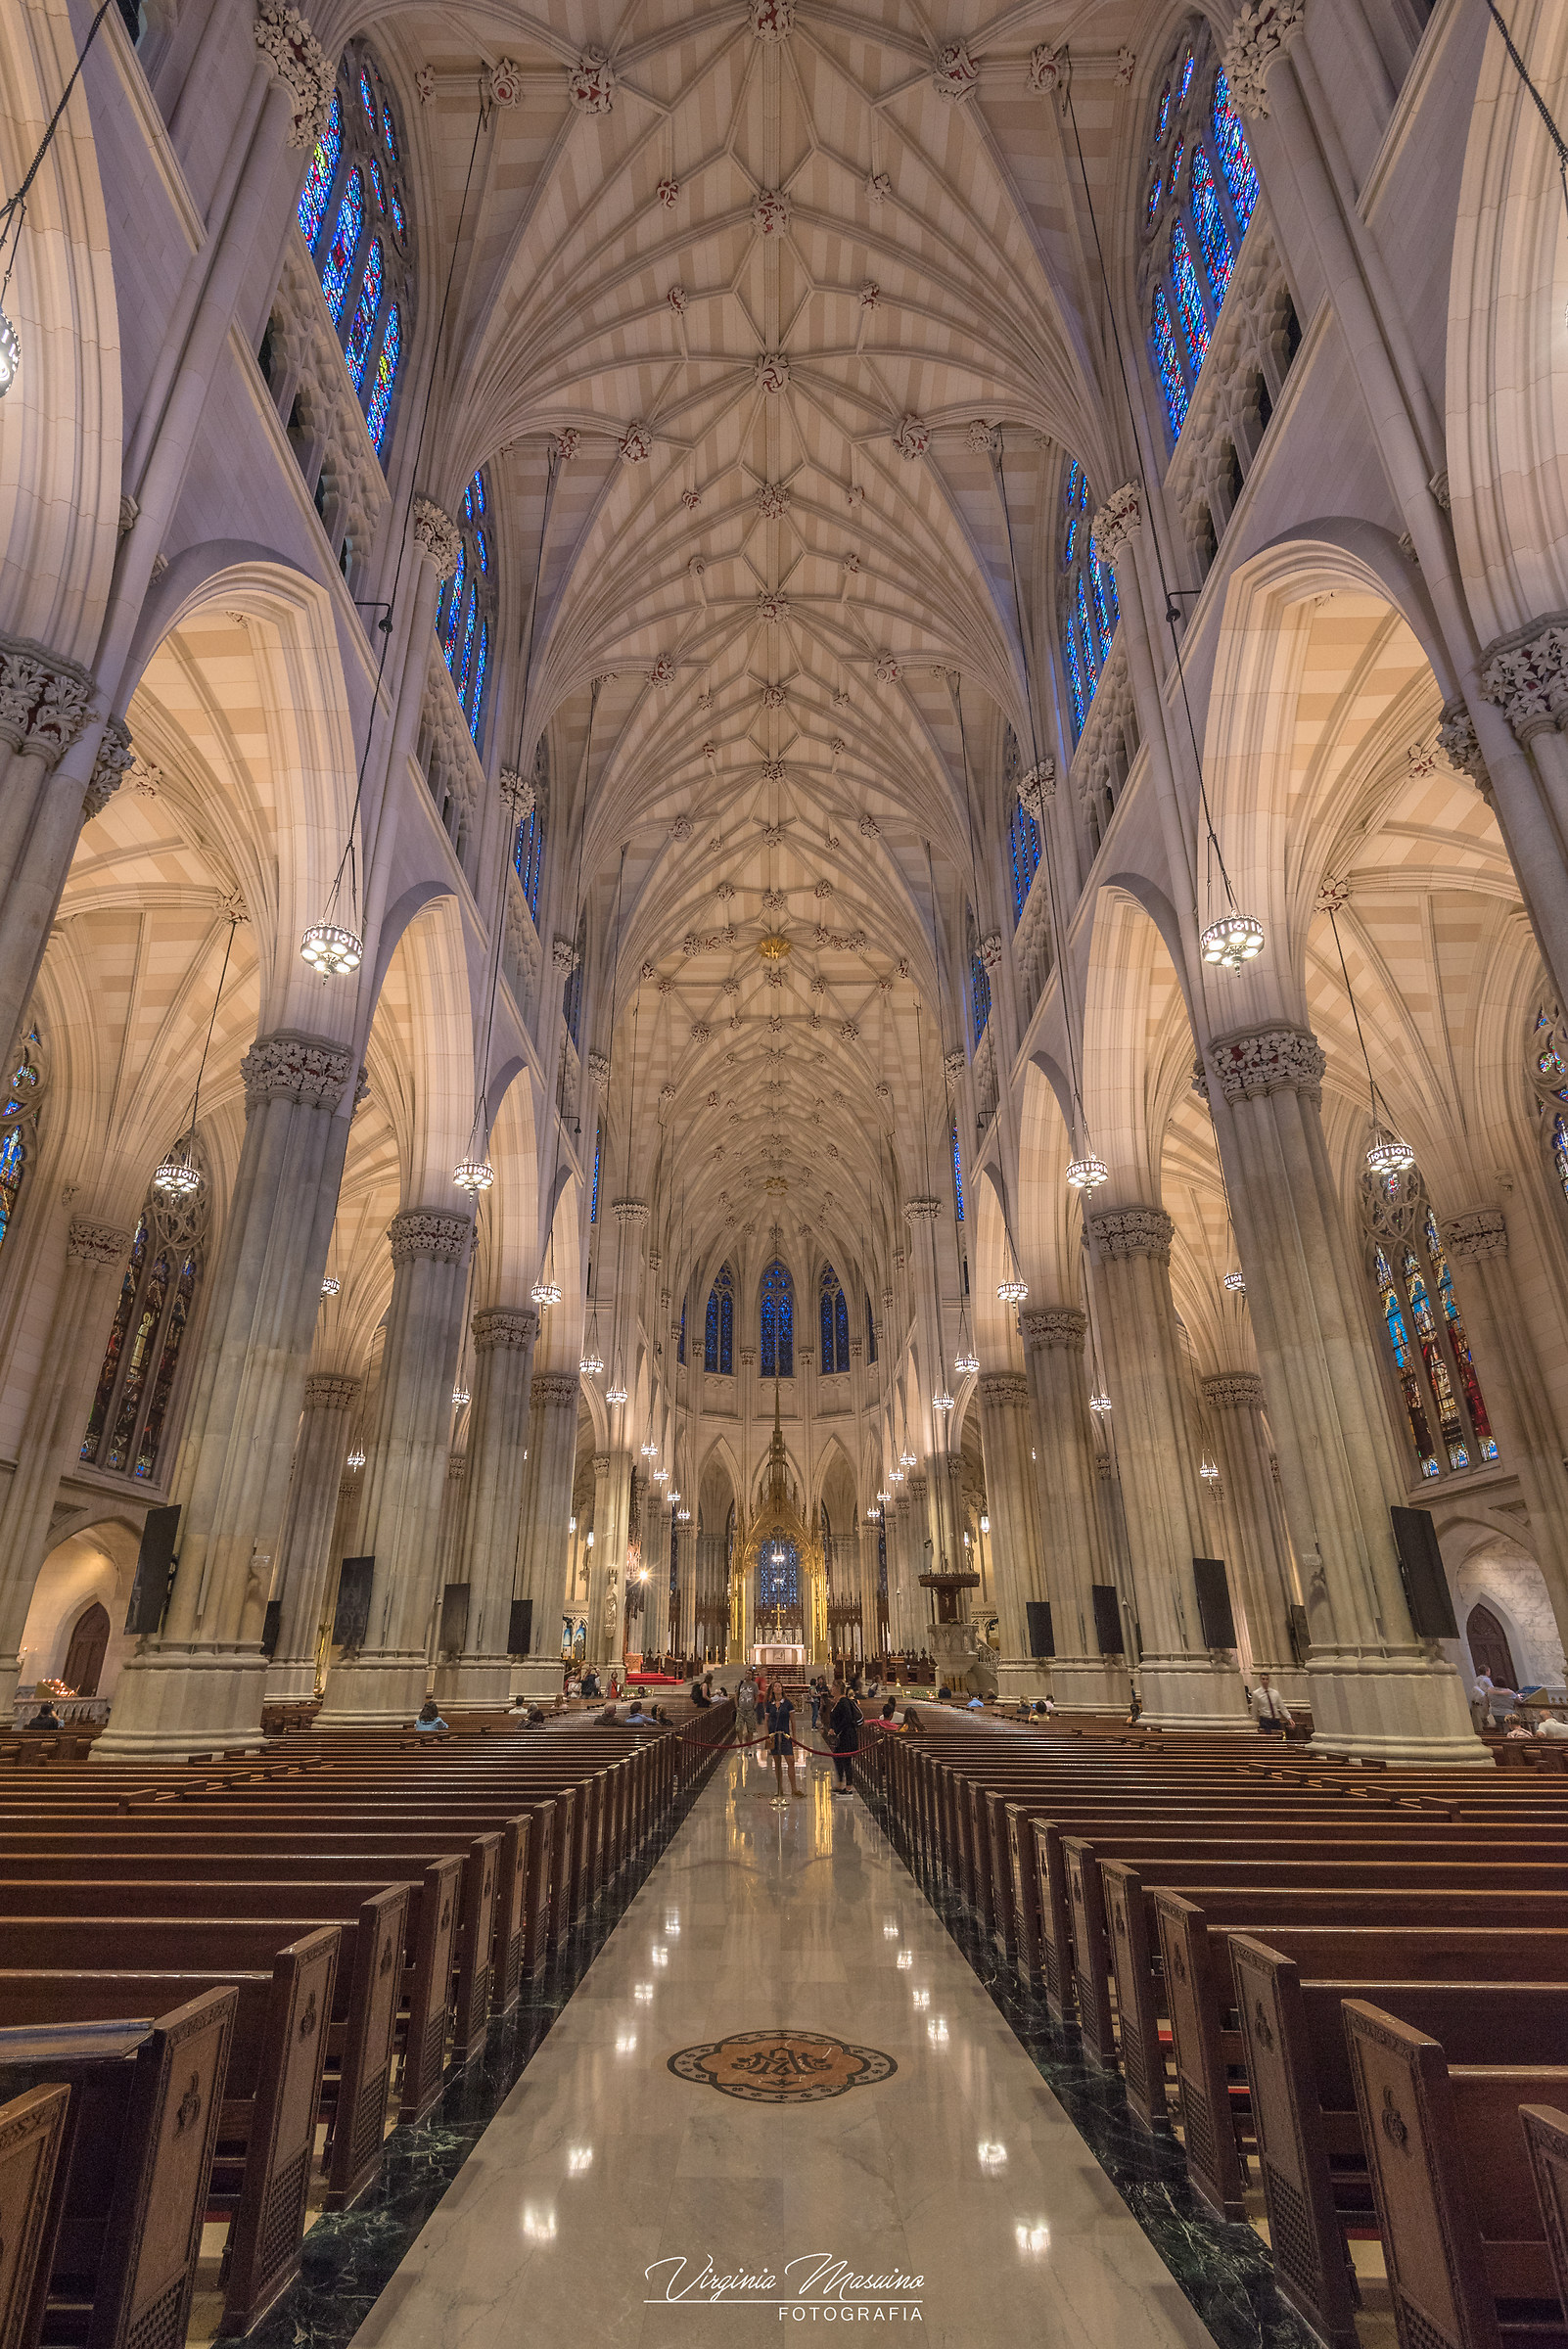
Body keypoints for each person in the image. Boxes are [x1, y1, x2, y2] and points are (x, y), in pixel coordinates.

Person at [764, 1679, 800, 1801]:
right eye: (776, 1686)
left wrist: (795, 1736)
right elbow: (766, 1721)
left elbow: (793, 1720)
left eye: (779, 1686)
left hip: (785, 1735)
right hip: (773, 1736)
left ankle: (794, 1788)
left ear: (782, 1689)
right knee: (777, 1762)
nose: (778, 1688)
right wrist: (767, 1735)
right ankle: (780, 1788)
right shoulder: (770, 1704)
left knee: (790, 1760)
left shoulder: (788, 1703)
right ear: (773, 1690)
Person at [828, 1677, 860, 1793]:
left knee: (846, 1760)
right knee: (837, 1758)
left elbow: (847, 1718)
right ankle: (840, 1783)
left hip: (847, 1736)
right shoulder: (837, 1702)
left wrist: (836, 1730)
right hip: (841, 1736)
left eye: (833, 1687)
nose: (831, 1689)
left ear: (838, 1689)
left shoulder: (844, 1702)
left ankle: (848, 1787)